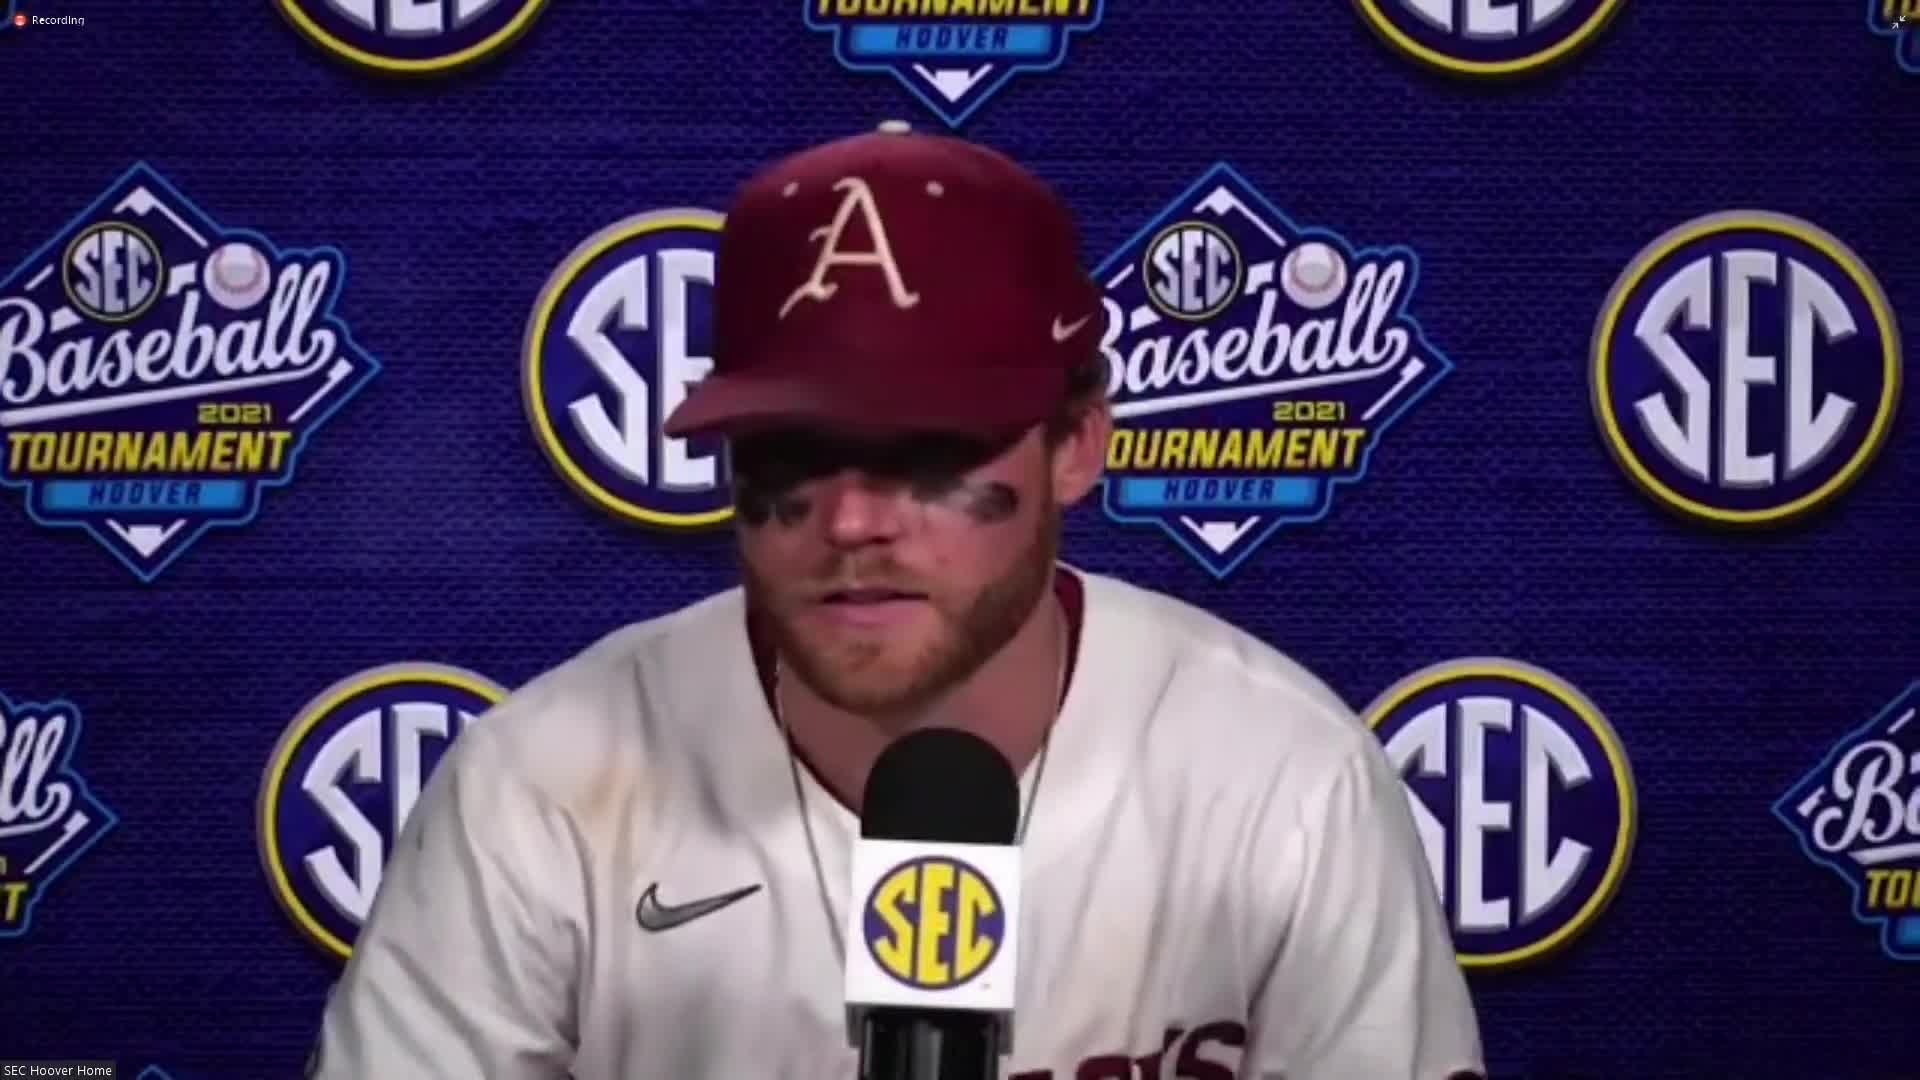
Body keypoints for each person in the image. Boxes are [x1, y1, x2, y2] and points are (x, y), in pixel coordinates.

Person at [306, 121, 1486, 1080]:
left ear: (1076, 443)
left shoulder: (1282, 780)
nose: (854, 523)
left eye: (925, 449)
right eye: (792, 453)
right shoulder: (542, 789)